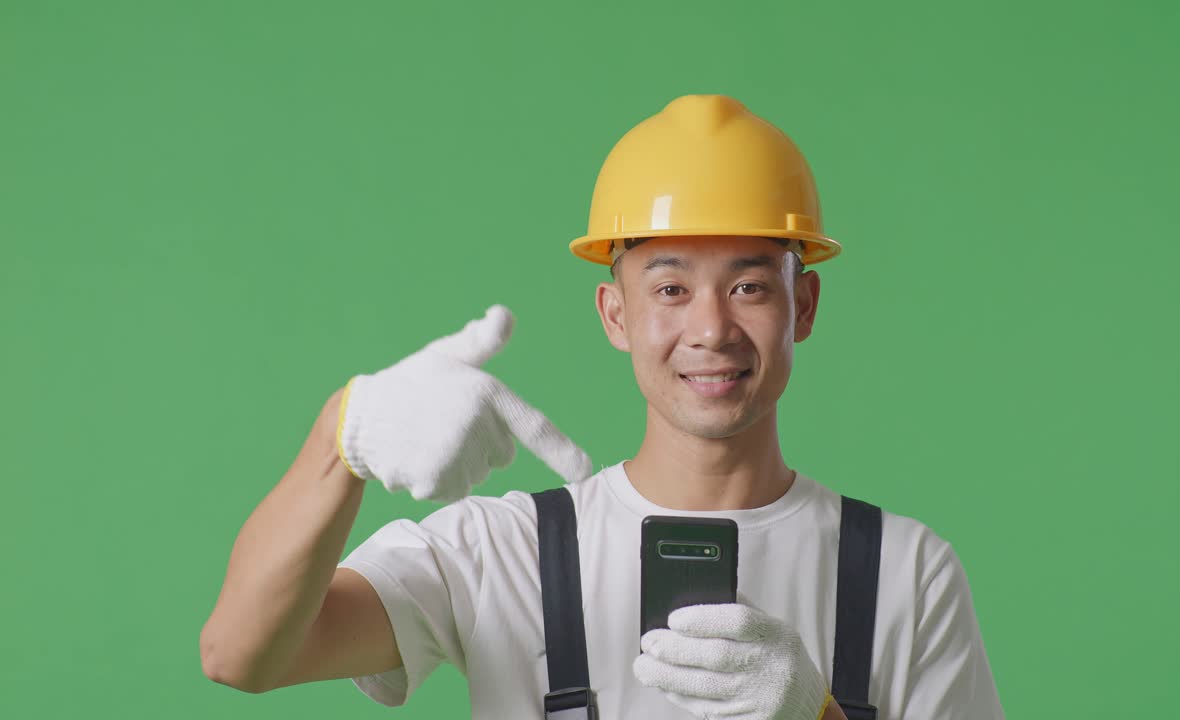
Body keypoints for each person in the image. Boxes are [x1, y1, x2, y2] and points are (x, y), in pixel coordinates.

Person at [200, 94, 1004, 720]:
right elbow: (242, 654)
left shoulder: (906, 573)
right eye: (670, 288)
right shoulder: (500, 552)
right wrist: (344, 434)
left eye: (751, 286)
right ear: (615, 314)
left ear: (805, 307)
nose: (712, 328)